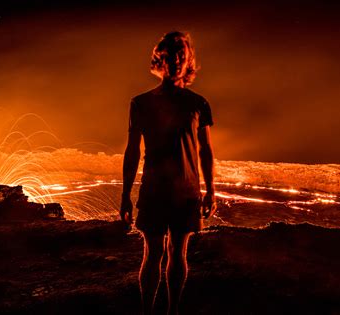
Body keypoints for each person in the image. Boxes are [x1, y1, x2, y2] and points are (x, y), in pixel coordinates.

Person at [120, 31, 216, 315]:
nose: (175, 61)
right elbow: (132, 151)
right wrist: (125, 195)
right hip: (155, 190)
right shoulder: (141, 104)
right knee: (154, 254)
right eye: (170, 56)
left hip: (185, 191)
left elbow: (206, 151)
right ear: (159, 60)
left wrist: (210, 190)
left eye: (180, 57)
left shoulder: (198, 104)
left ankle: (171, 310)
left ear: (187, 62)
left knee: (177, 252)